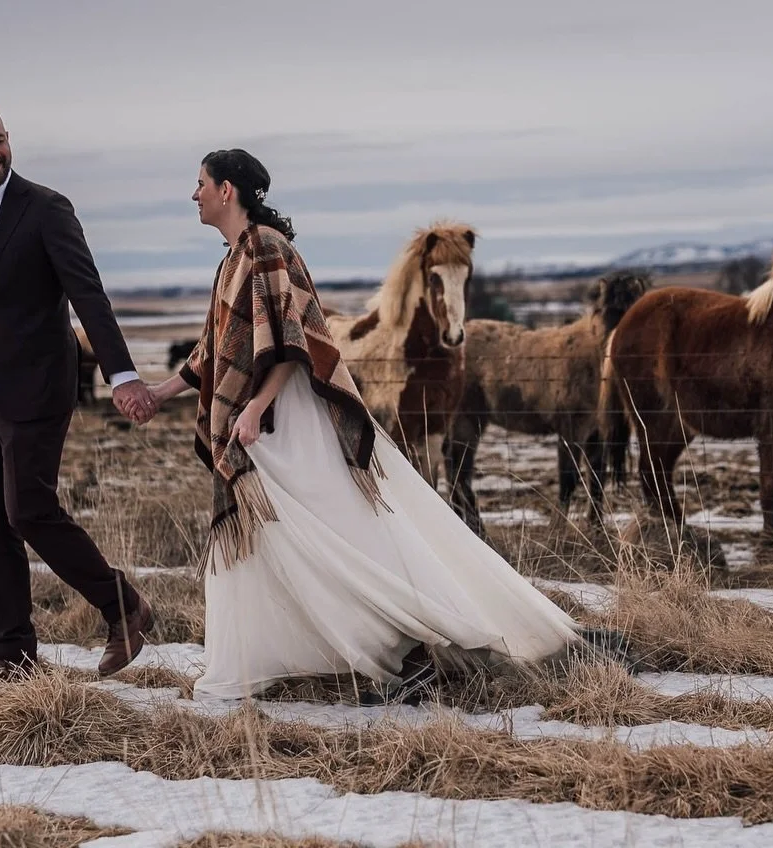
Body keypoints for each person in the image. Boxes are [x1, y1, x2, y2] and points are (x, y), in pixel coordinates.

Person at [145, 149, 580, 703]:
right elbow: (216, 350)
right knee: (282, 540)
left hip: (288, 421)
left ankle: (406, 648)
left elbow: (293, 344)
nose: (195, 193)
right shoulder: (234, 257)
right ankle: (307, 653)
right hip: (263, 427)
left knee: (335, 531)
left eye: (200, 183)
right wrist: (160, 393)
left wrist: (254, 407)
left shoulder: (268, 251)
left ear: (227, 190)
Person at [0, 101, 158, 679]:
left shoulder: (47, 209)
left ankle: (123, 607)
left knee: (27, 510)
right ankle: (13, 659)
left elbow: (89, 294)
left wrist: (122, 374)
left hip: (37, 388)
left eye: (0, 140)